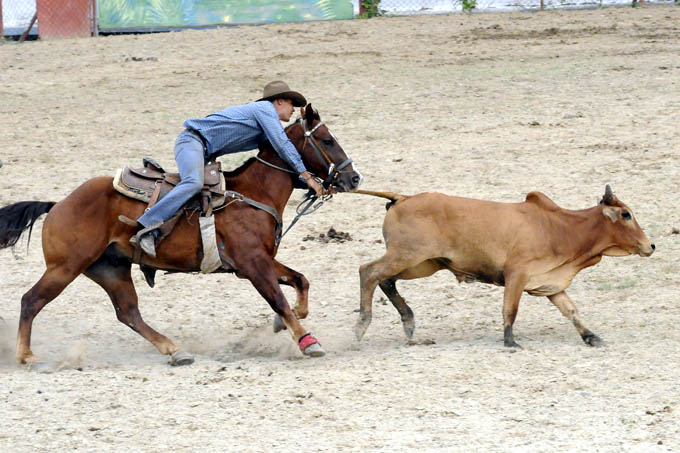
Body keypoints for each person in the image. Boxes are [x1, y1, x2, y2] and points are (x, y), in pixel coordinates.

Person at [133, 80, 324, 258]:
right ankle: (147, 225)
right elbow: (283, 145)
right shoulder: (264, 109)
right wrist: (307, 176)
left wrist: (311, 184)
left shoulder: (264, 127)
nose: (294, 110)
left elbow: (278, 161)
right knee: (194, 182)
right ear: (279, 101)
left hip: (203, 152)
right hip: (192, 141)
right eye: (292, 104)